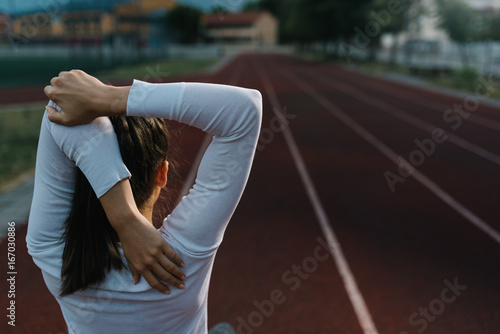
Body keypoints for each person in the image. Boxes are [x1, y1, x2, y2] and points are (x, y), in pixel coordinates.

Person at [27, 70, 262, 333]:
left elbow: (57, 110)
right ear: (162, 173)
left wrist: (123, 216)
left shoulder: (54, 253)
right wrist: (109, 98)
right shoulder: (183, 255)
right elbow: (244, 111)